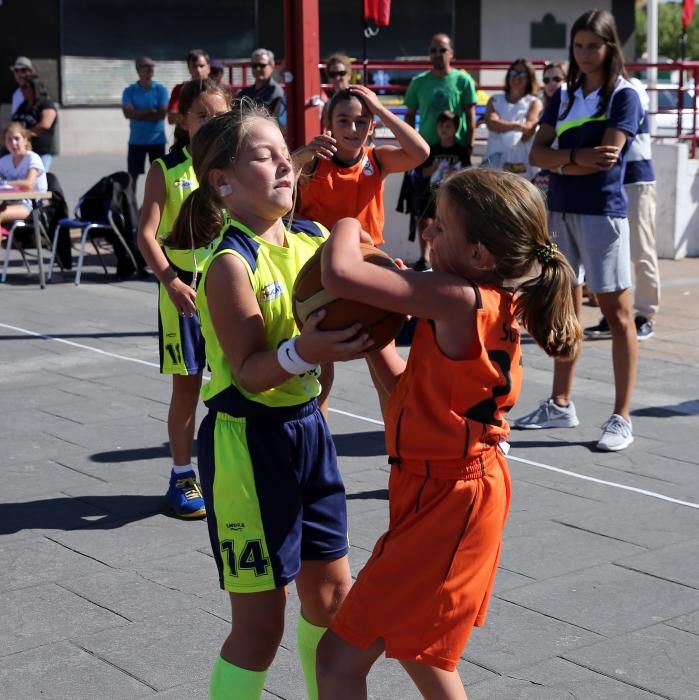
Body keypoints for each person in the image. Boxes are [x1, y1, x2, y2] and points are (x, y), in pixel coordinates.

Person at [315, 168, 581, 700]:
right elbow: (408, 399)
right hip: (445, 489)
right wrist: (374, 341)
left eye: (438, 227)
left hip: (453, 498)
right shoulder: (482, 302)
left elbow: (339, 273)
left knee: (344, 656)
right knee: (412, 650)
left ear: (481, 254)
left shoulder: (457, 296)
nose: (427, 234)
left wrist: (344, 219)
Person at [169, 103, 371, 699]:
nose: (286, 162)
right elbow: (254, 372)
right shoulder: (229, 264)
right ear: (223, 181)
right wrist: (308, 349)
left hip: (308, 431)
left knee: (333, 601)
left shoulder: (314, 240)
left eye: (286, 151)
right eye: (265, 154)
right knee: (261, 626)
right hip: (247, 442)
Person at [515, 9, 643, 452]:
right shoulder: (563, 96)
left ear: (610, 48)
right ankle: (560, 403)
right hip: (561, 211)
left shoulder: (624, 95)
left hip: (602, 213)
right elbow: (537, 152)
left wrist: (560, 159)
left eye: (594, 45)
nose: (585, 54)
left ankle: (621, 417)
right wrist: (573, 160)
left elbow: (608, 156)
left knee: (617, 314)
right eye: (579, 45)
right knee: (564, 312)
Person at [136, 79, 231, 518]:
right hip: (185, 288)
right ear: (183, 121)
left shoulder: (232, 167)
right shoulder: (166, 168)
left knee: (235, 376)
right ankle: (181, 475)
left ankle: (232, 467)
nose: (212, 123)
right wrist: (171, 281)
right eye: (203, 115)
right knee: (188, 385)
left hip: (227, 284)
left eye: (219, 115)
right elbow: (146, 236)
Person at [295, 85, 429, 247]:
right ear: (329, 124)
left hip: (364, 255)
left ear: (372, 127)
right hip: (319, 253)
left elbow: (421, 152)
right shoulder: (313, 159)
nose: (353, 129)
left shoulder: (377, 159)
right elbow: (275, 181)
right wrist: (298, 158)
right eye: (343, 120)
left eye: (361, 122)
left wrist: (379, 109)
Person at [585, 77, 660, 342]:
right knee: (616, 252)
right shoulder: (594, 90)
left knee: (641, 249)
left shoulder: (631, 88)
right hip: (611, 180)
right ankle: (616, 314)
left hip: (636, 178)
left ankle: (644, 315)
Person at [404, 33, 477, 270]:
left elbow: (470, 115)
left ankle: (454, 257)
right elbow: (409, 116)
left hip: (455, 153)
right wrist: (408, 146)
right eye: (433, 50)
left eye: (442, 50)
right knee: (423, 209)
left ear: (451, 53)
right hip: (425, 153)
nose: (437, 54)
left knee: (457, 208)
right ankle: (426, 258)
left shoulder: (463, 81)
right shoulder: (418, 82)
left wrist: (468, 146)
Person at [415, 110, 471, 258]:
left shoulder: (461, 151)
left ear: (455, 129)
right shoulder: (431, 150)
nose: (443, 129)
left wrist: (453, 173)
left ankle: (448, 256)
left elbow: (468, 173)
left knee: (449, 225)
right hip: (432, 191)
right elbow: (422, 173)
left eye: (448, 126)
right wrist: (435, 168)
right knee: (424, 222)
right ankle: (425, 258)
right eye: (441, 126)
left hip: (453, 194)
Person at [484, 58, 542, 177]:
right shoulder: (495, 99)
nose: (517, 77)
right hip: (495, 164)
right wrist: (518, 125)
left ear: (529, 78)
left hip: (523, 167)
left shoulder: (534, 102)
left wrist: (502, 124)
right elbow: (491, 124)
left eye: (523, 74)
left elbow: (528, 131)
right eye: (514, 72)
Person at [121, 56, 169, 194]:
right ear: (138, 70)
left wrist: (139, 113)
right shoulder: (129, 91)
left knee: (160, 177)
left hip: (157, 141)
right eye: (146, 66)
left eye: (152, 67)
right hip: (137, 141)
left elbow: (162, 114)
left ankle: (157, 207)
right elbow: (128, 114)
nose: (150, 69)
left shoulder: (161, 90)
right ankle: (131, 207)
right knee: (132, 177)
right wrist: (150, 111)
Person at [0, 123, 47, 229]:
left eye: (17, 138)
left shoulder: (32, 158)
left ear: (25, 140)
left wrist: (5, 183)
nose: (13, 143)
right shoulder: (4, 161)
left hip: (32, 205)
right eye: (9, 140)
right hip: (9, 202)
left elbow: (28, 184)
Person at [531, 61, 568, 196]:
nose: (551, 84)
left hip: (569, 173)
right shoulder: (543, 111)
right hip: (546, 175)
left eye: (557, 79)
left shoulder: (577, 109)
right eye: (546, 80)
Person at [11, 76, 58, 172]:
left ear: (34, 88)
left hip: (40, 152)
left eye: (25, 87)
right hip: (22, 152)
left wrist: (22, 134)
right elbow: (13, 125)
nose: (22, 90)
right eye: (21, 88)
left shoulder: (46, 104)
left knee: (37, 181)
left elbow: (45, 125)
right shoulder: (22, 106)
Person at [238, 48, 284, 118]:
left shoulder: (275, 92)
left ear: (272, 66)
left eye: (262, 65)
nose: (258, 69)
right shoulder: (244, 92)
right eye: (254, 66)